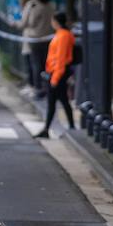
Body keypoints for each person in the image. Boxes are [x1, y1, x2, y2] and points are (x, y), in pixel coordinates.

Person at [35, 10, 76, 139]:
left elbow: (61, 59)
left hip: (57, 73)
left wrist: (55, 78)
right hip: (55, 72)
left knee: (55, 101)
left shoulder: (63, 36)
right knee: (61, 101)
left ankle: (48, 128)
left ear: (56, 22)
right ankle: (64, 127)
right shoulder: (62, 34)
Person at [20, 0, 54, 95]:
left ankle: (37, 87)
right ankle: (47, 85)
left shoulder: (35, 7)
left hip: (35, 38)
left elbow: (30, 22)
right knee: (46, 63)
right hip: (48, 37)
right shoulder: (51, 6)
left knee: (35, 63)